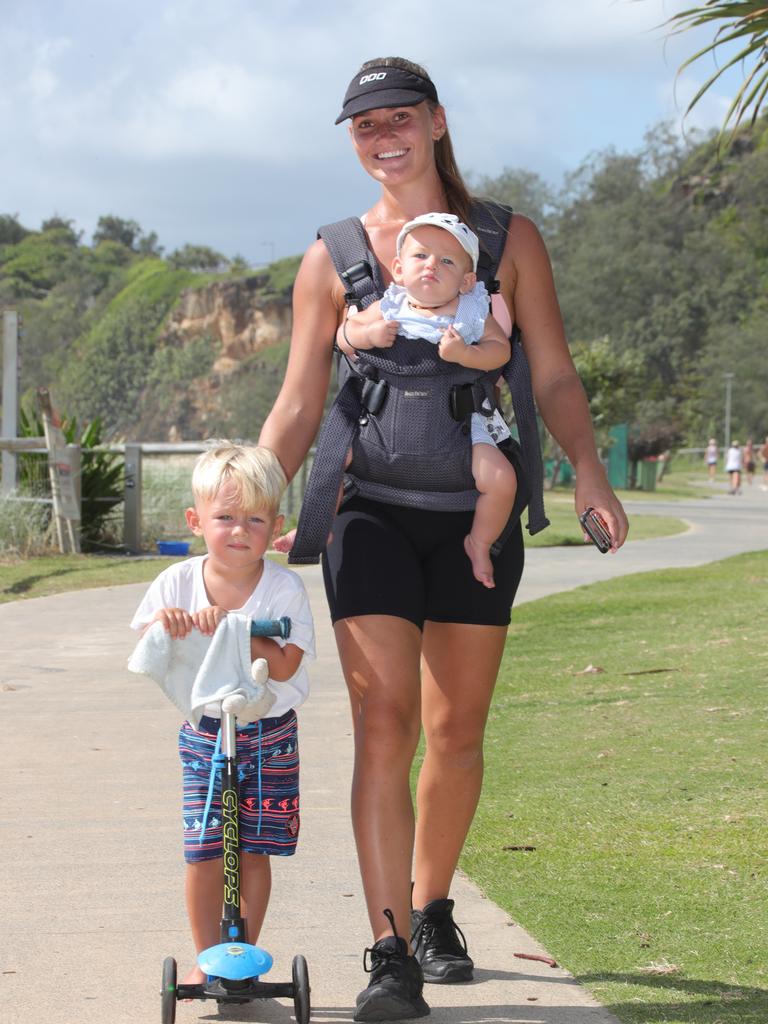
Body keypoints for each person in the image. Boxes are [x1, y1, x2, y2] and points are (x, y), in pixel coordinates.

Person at [259, 57, 628, 1021]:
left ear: (436, 121)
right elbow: (300, 403)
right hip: (368, 507)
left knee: (456, 729)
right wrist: (253, 493)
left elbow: (550, 375)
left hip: (477, 514)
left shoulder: (510, 240)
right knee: (386, 721)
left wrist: (588, 469)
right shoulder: (332, 255)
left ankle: (432, 909)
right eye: (363, 123)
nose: (383, 135)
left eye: (399, 117)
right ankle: (389, 950)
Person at [129, 442, 315, 988]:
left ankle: (242, 960)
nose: (240, 531)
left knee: (254, 850)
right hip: (205, 733)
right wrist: (172, 624)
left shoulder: (284, 588)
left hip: (269, 733)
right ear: (196, 521)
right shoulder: (177, 583)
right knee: (204, 848)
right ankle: (208, 958)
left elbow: (284, 664)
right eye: (225, 518)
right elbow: (151, 647)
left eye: (255, 520)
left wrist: (235, 629)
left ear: (276, 523)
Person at [339, 211, 517, 588]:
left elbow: (500, 352)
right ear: (400, 269)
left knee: (501, 480)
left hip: (461, 424)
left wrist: (467, 355)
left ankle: (479, 542)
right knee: (333, 462)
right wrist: (368, 334)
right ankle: (317, 523)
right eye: (421, 256)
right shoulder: (389, 304)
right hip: (386, 422)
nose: (432, 265)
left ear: (467, 280)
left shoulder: (471, 310)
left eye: (447, 260)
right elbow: (343, 335)